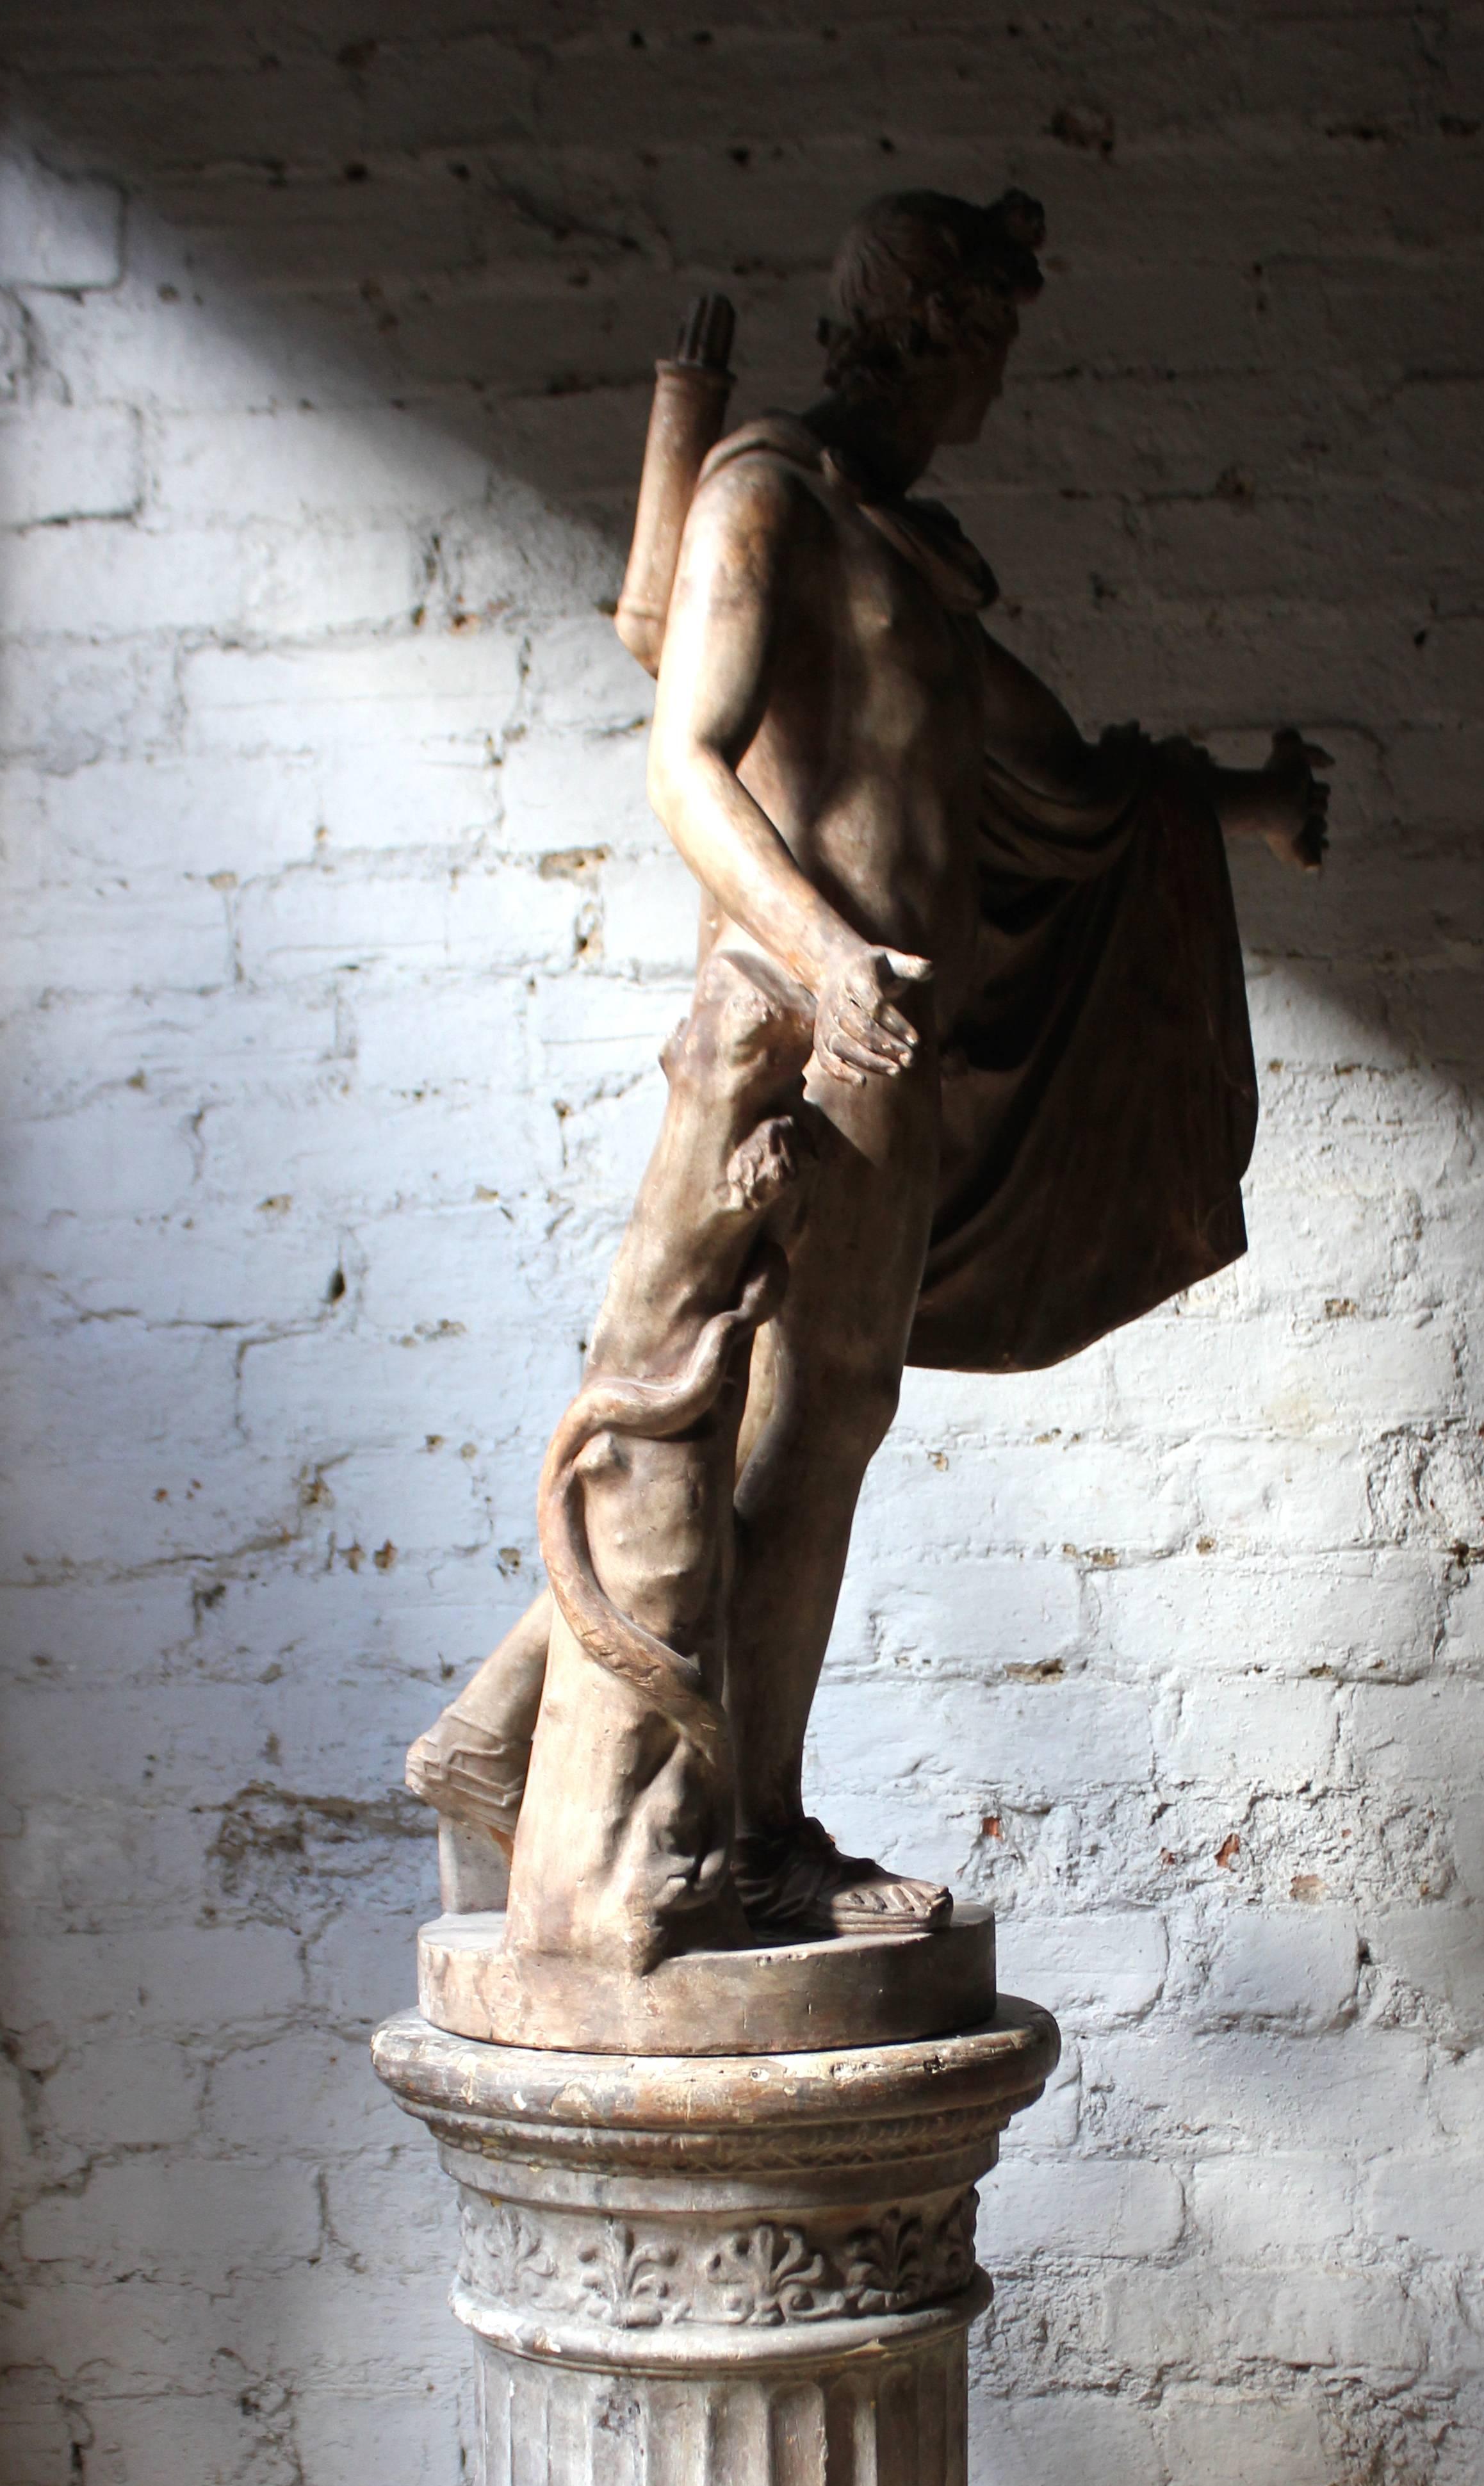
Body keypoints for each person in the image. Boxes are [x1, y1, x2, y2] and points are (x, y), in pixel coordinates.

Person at [407, 188, 1326, 1974]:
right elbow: (684, 764)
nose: (1000, 374)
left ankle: (589, 1761)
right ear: (917, 328)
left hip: (889, 1045)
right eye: (988, 332)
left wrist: (1244, 809)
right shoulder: (769, 500)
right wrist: (829, 965)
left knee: (813, 1422)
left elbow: (1058, 773)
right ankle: (720, 1827)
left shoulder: (909, 553)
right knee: (742, 1413)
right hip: (801, 1035)